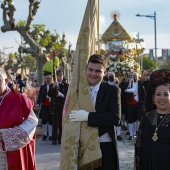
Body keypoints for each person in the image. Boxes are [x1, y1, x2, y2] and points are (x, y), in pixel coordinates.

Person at [69, 54, 121, 170]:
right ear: (86, 69)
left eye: (98, 71)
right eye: (90, 69)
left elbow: (115, 117)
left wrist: (88, 116)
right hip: (82, 145)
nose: (93, 74)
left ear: (104, 72)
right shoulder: (77, 90)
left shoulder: (112, 90)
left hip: (105, 146)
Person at [0, 68, 38, 170]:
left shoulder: (19, 98)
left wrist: (5, 134)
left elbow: (32, 122)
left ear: (6, 81)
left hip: (13, 154)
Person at [134, 69, 170, 170]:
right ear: (153, 98)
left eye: (166, 94)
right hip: (146, 165)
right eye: (158, 94)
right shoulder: (147, 117)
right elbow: (139, 146)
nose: (162, 98)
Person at [48, 70, 68, 145]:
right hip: (54, 108)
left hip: (62, 107)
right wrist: (53, 88)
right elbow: (49, 94)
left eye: (60, 75)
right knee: (54, 124)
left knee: (61, 125)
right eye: (58, 75)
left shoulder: (65, 85)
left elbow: (68, 96)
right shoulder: (52, 85)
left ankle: (61, 139)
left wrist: (62, 95)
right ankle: (54, 139)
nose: (59, 77)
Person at [125, 72, 145, 140]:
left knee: (139, 118)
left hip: (138, 103)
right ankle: (131, 134)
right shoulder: (127, 83)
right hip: (130, 103)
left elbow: (143, 93)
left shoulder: (140, 84)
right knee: (131, 119)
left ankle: (137, 133)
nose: (133, 77)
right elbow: (124, 91)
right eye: (132, 76)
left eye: (134, 76)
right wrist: (128, 83)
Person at [36, 74, 53, 141]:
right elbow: (40, 95)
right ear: (45, 79)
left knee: (51, 120)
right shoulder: (43, 87)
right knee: (44, 120)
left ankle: (51, 135)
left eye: (49, 78)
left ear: (51, 79)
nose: (48, 79)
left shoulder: (53, 86)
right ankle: (45, 134)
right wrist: (38, 104)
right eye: (47, 78)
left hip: (51, 105)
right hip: (44, 105)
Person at [108, 71, 123, 141]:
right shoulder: (106, 84)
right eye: (110, 76)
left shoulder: (117, 83)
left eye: (112, 76)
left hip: (117, 103)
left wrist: (118, 84)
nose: (111, 77)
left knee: (118, 118)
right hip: (108, 103)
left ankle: (118, 134)